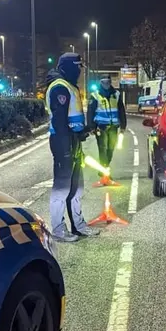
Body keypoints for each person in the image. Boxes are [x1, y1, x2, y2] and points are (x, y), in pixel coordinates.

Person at [45, 52, 100, 242]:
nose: (79, 71)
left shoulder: (69, 86)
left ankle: (78, 225)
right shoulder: (59, 87)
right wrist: (69, 141)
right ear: (67, 67)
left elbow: (70, 118)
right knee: (61, 188)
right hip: (63, 144)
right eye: (77, 67)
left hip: (72, 141)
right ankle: (59, 230)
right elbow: (60, 122)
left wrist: (82, 131)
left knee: (77, 188)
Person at [87, 73, 127, 185]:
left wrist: (123, 126)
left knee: (110, 149)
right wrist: (91, 127)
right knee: (103, 150)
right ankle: (105, 172)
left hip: (113, 127)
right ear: (101, 83)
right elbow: (90, 112)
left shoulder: (116, 94)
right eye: (104, 82)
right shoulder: (95, 95)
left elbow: (121, 111)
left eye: (108, 82)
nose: (106, 84)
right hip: (101, 127)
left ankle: (104, 169)